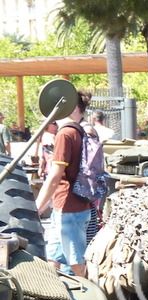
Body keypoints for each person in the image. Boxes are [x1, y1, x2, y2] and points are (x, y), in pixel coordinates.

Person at [35, 90, 94, 278]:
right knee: (53, 259)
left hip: (68, 208)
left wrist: (37, 207)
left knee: (77, 263)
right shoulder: (83, 130)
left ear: (73, 107)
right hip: (72, 205)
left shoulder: (66, 134)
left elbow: (55, 175)